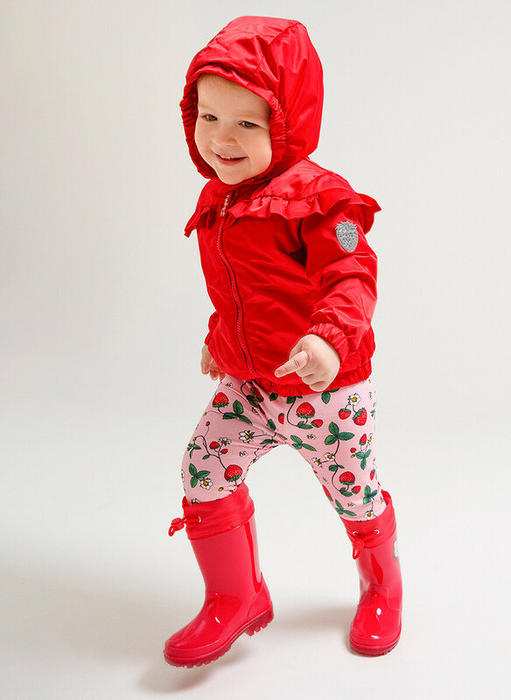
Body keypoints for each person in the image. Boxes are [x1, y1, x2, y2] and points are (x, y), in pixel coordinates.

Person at [164, 16, 402, 667]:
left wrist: (329, 340)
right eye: (208, 117)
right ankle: (235, 595)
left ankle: (382, 588)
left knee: (354, 493)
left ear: (289, 122)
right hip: (248, 388)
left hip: (325, 393)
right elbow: (239, 290)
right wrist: (220, 339)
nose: (222, 139)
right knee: (202, 469)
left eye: (247, 123)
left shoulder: (327, 203)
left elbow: (352, 274)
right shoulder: (220, 196)